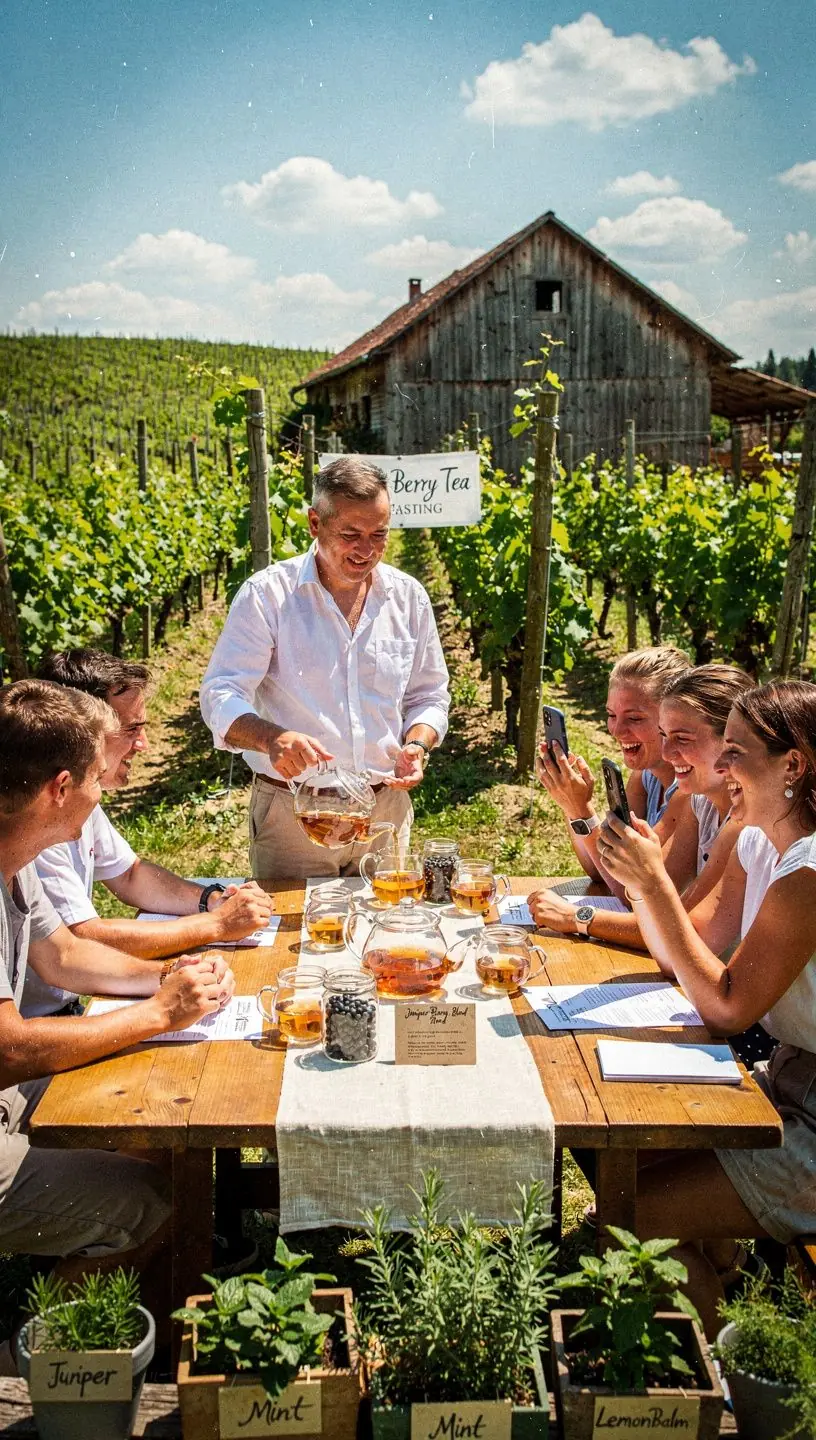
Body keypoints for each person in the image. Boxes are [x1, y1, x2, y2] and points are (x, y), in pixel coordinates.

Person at [598, 679, 816, 1335]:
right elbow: (687, 953)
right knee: (626, 1171)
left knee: (623, 1221)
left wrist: (653, 881)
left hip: (809, 1118)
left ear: (794, 767)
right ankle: (728, 1292)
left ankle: (725, 1397)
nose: (720, 768)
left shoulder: (808, 872)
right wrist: (645, 886)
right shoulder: (756, 842)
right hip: (782, 1084)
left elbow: (725, 1006)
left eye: (737, 753)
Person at [0, 679, 234, 1274]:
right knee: (157, 1202)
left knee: (157, 1137)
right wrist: (157, 1015)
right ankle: (40, 1359)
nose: (103, 793)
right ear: (60, 789)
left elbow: (65, 957)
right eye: (96, 780)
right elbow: (8, 1047)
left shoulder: (14, 856)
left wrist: (168, 980)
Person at [200, 457, 450, 880]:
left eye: (379, 534)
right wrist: (272, 738)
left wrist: (417, 744)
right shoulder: (268, 596)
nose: (366, 550)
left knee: (386, 934)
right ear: (315, 523)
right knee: (293, 941)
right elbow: (220, 694)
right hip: (295, 814)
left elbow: (428, 694)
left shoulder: (408, 597)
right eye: (350, 535)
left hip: (384, 810)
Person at [26, 650, 274, 1017]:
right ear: (82, 728)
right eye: (131, 729)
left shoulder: (79, 798)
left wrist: (211, 900)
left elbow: (129, 874)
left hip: (69, 1005)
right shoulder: (42, 816)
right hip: (43, 1020)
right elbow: (79, 939)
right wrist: (217, 925)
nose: (143, 745)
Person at [529, 665, 754, 947]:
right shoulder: (696, 800)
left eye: (682, 738)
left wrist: (580, 918)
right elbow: (632, 887)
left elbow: (680, 930)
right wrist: (574, 806)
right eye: (611, 715)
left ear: (730, 742)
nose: (668, 751)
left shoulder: (744, 820)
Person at [536, 646, 691, 896]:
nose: (617, 731)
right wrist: (570, 803)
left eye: (635, 718)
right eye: (611, 715)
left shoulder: (691, 793)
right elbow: (603, 868)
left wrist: (581, 810)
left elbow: (634, 892)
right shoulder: (645, 776)